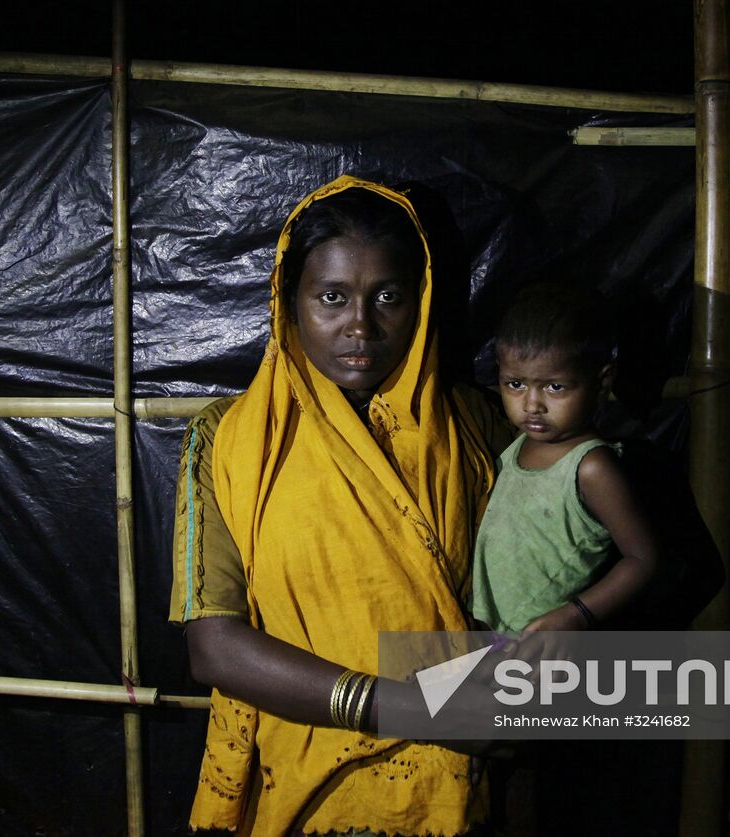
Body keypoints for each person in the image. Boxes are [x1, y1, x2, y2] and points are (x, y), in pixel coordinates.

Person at [168, 175, 510, 836]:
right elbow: (214, 646)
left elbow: (526, 589)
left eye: (388, 296)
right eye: (332, 297)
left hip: (450, 785)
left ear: (422, 299)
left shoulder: (473, 428)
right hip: (297, 787)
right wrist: (407, 706)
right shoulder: (230, 439)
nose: (361, 325)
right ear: (288, 300)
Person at [470, 280, 659, 639]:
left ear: (601, 382)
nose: (532, 404)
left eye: (555, 387)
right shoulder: (518, 445)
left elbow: (643, 560)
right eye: (515, 384)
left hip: (537, 644)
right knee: (418, 690)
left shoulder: (591, 467)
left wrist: (576, 616)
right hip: (484, 633)